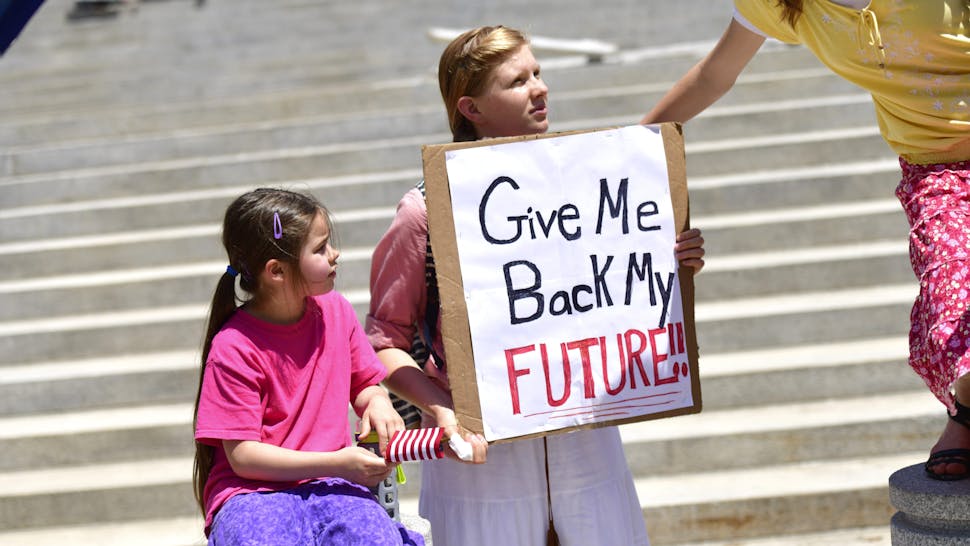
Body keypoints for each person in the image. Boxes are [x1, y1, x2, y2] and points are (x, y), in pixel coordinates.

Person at [366, 26, 706, 546]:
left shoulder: (588, 187)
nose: (540, 88)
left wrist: (669, 264)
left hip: (587, 438)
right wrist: (442, 411)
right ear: (471, 108)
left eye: (538, 73)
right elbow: (383, 343)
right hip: (479, 457)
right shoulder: (424, 210)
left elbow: (611, 288)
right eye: (517, 80)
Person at [641, 0, 970, 481]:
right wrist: (629, 147)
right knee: (949, 299)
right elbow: (714, 76)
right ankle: (966, 414)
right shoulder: (781, 5)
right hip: (936, 170)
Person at [192, 188, 424, 545]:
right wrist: (336, 463)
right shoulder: (233, 346)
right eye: (320, 248)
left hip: (334, 484)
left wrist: (378, 402)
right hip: (253, 494)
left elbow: (365, 384)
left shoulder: (337, 311)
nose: (335, 254)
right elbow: (243, 457)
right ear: (276, 271)